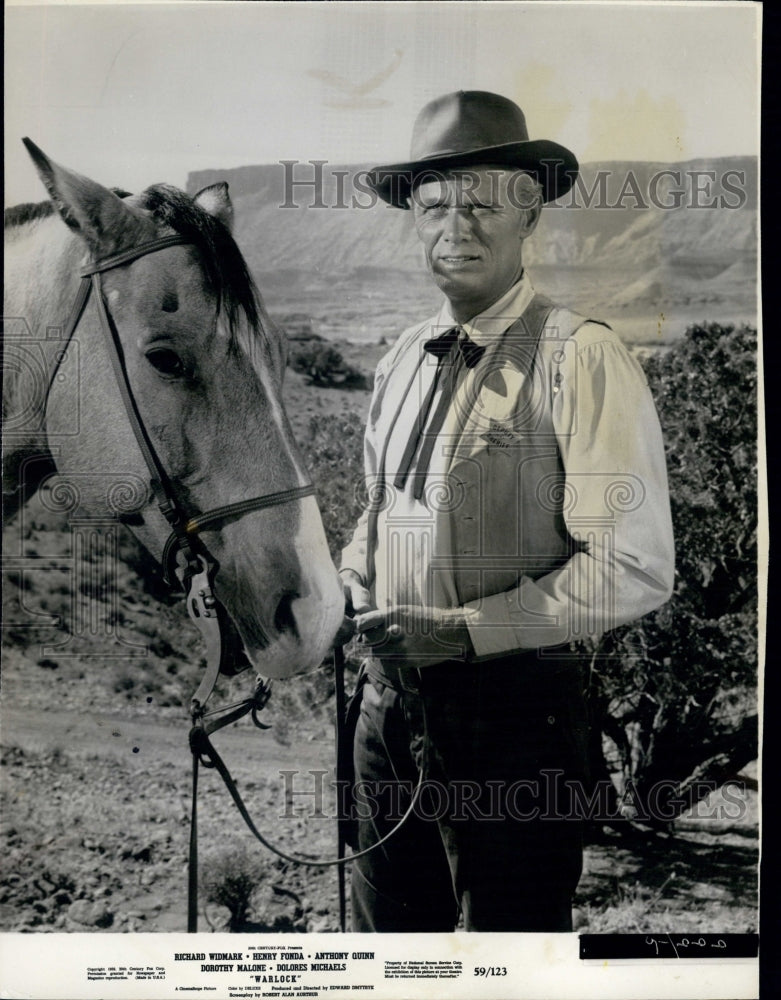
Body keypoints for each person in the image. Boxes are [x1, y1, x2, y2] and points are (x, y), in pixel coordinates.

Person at [338, 90, 675, 933]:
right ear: (413, 224)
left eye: (484, 203)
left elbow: (634, 567)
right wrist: (339, 588)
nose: (458, 226)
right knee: (393, 964)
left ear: (530, 218)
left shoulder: (582, 357)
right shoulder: (397, 364)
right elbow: (373, 521)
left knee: (509, 968)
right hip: (385, 717)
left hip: (517, 726)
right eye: (435, 206)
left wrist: (461, 630)